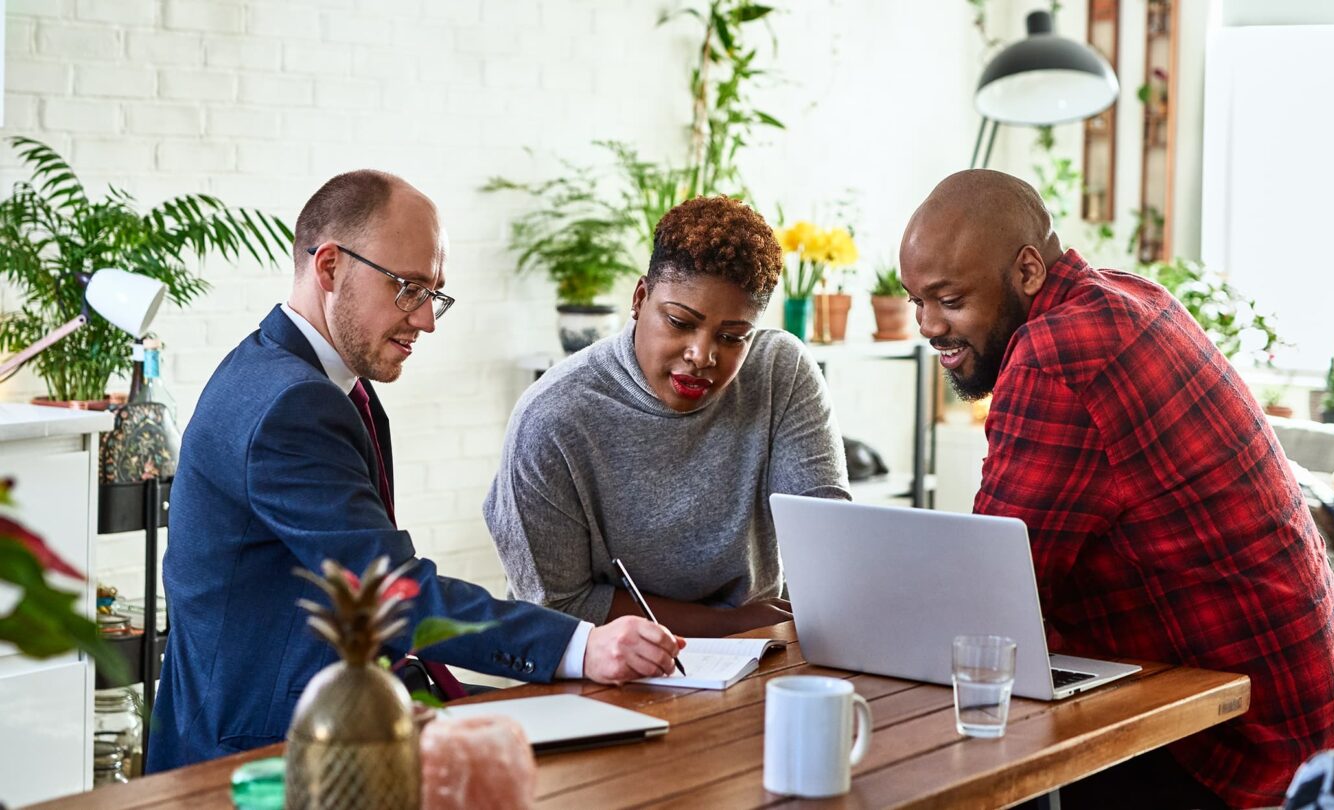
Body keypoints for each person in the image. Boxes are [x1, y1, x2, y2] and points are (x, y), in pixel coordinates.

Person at [150, 170, 682, 771]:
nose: (427, 320)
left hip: (325, 708)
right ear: (329, 268)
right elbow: (391, 593)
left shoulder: (302, 376)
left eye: (435, 293)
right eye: (408, 288)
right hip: (262, 751)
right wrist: (582, 644)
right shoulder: (291, 405)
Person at [899, 170, 1334, 808]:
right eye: (915, 299)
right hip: (1305, 734)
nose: (927, 324)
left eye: (949, 300)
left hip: (1235, 752)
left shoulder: (1055, 353)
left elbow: (992, 599)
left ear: (1028, 270)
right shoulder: (1133, 295)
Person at [484, 196, 848, 637]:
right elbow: (557, 605)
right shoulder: (551, 418)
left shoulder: (779, 372)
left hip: (757, 654)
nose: (702, 355)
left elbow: (826, 540)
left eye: (733, 337)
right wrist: (728, 624)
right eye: (679, 322)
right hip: (604, 669)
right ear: (640, 298)